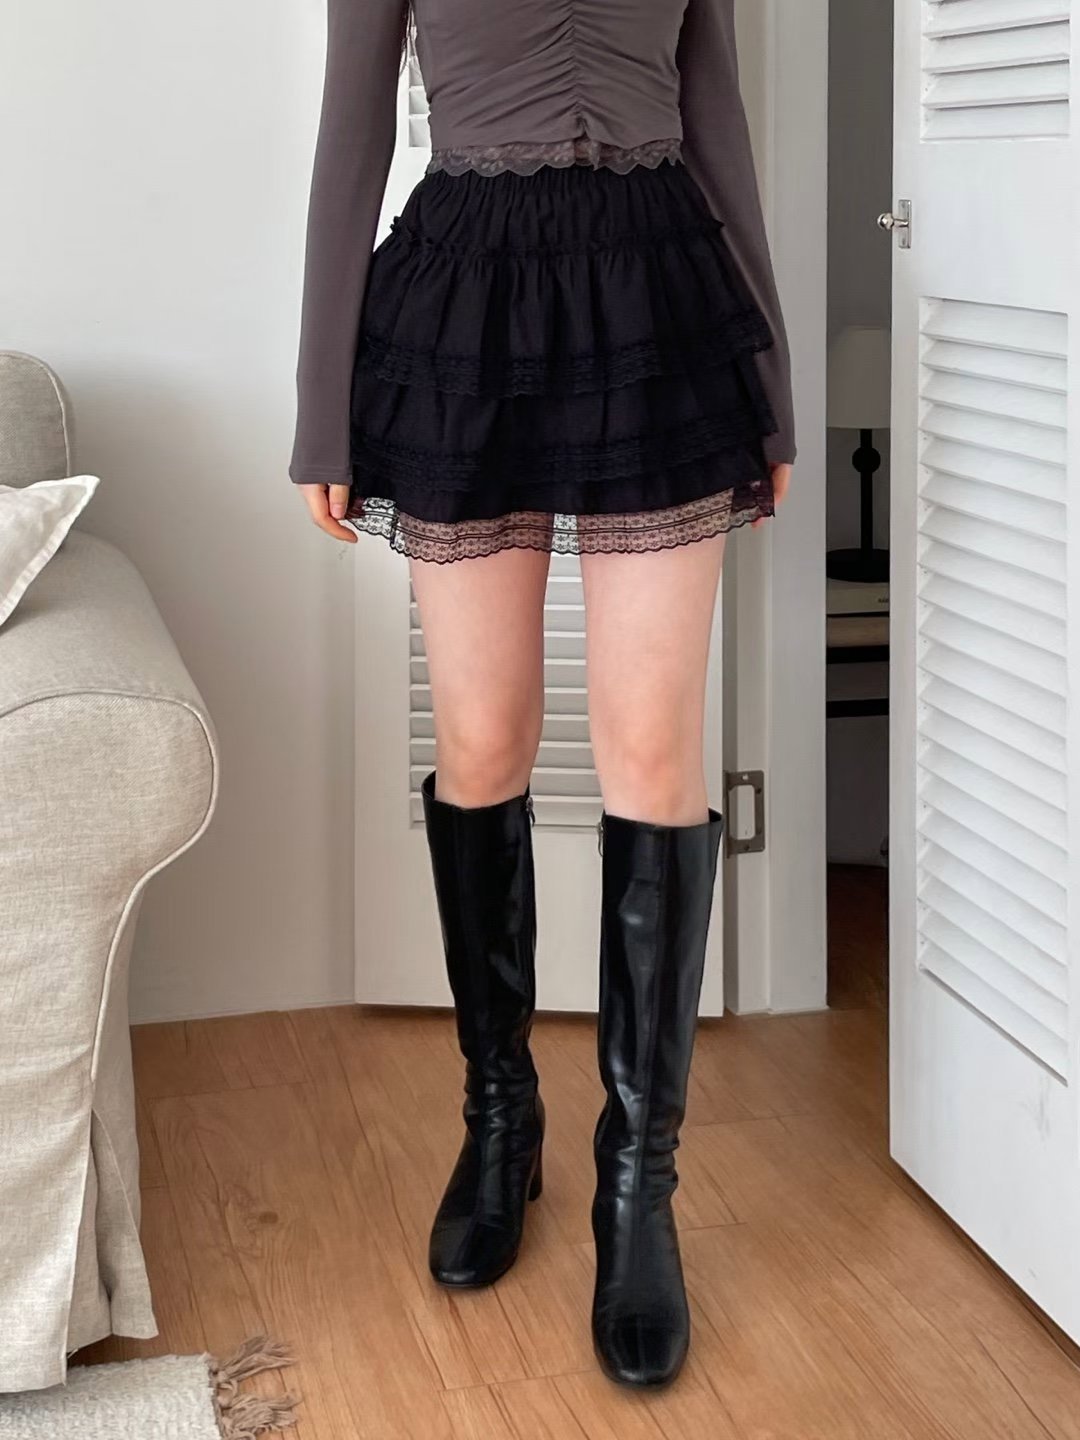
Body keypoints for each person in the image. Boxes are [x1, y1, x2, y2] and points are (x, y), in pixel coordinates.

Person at [291, 0, 794, 1390]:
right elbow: (349, 143)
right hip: (464, 301)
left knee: (653, 750)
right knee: (483, 738)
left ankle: (640, 1190)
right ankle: (501, 1122)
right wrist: (322, 411)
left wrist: (772, 383)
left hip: (662, 303)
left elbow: (718, 122)